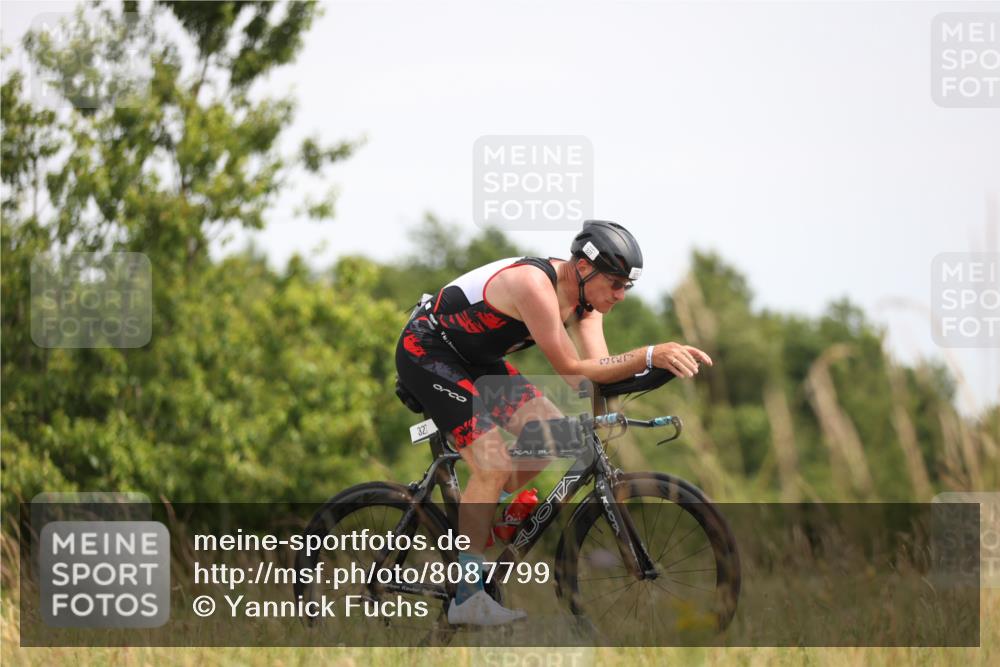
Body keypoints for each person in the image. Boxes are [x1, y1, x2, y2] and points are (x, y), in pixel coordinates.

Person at [394, 220, 713, 625]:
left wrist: (650, 376)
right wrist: (650, 352)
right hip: (427, 350)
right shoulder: (534, 284)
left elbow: (595, 374)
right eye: (615, 283)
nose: (620, 295)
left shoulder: (587, 304)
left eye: (626, 287)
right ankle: (467, 597)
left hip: (476, 362)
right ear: (583, 268)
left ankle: (491, 511)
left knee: (555, 434)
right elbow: (568, 368)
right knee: (492, 466)